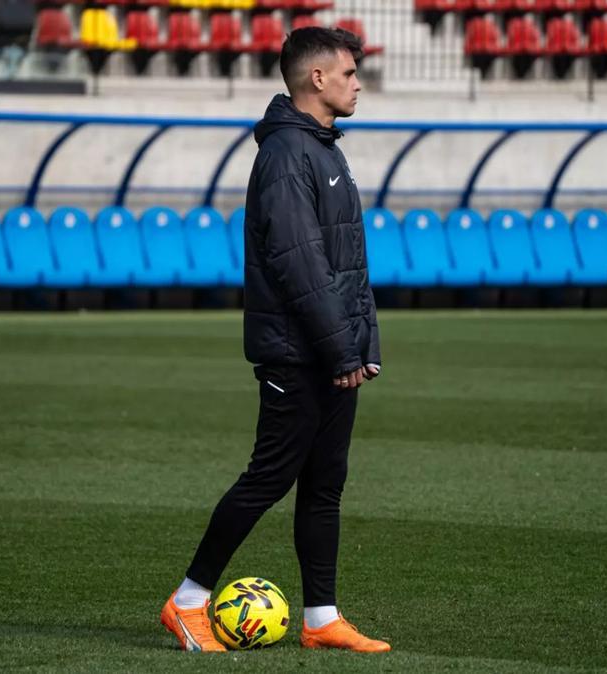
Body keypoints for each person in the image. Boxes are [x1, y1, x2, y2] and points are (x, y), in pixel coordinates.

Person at [159, 27, 388, 654]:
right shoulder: (288, 153)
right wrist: (341, 349)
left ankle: (320, 617)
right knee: (268, 478)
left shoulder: (323, 146)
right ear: (317, 79)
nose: (358, 83)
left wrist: (361, 346)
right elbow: (299, 264)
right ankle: (187, 602)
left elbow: (347, 265)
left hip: (332, 349)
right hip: (299, 351)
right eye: (348, 73)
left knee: (324, 485)